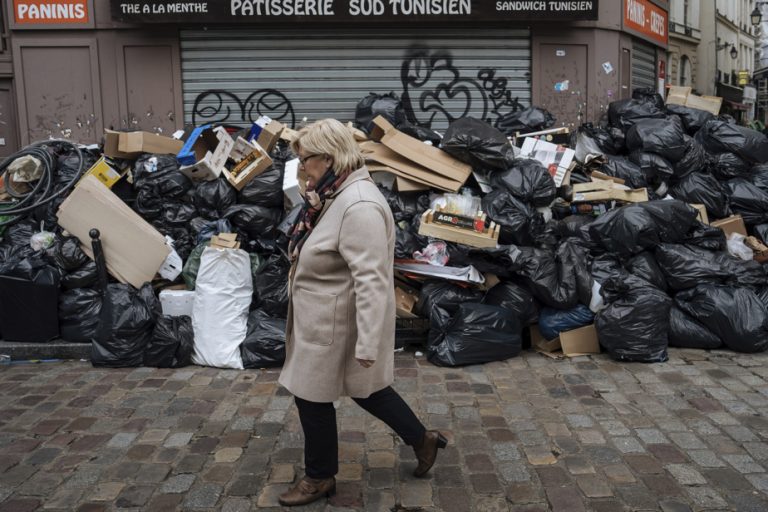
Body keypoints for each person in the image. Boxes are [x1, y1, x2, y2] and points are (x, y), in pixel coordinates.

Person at [277, 118, 447, 507]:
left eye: (306, 161)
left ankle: (320, 477)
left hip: (335, 321)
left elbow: (372, 280)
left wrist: (369, 342)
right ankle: (423, 440)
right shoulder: (336, 192)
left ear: (331, 157)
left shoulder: (359, 206)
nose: (302, 169)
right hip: (325, 314)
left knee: (311, 395)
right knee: (367, 390)